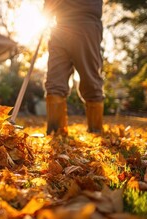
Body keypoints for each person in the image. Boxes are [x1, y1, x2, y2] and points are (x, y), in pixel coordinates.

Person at [43, 0, 104, 135]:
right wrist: (47, 10)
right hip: (60, 24)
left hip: (86, 21)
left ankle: (95, 130)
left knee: (90, 79)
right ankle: (56, 131)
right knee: (54, 79)